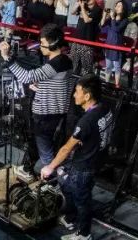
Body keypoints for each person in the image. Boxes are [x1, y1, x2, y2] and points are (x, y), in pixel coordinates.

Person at [39, 75, 113, 240]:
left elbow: (66, 149)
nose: (74, 95)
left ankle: (84, 234)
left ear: (87, 96)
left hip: (85, 167)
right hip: (97, 160)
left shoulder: (86, 122)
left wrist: (49, 167)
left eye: (77, 92)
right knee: (64, 178)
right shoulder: (105, 108)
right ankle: (70, 218)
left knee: (82, 201)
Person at [0, 24, 73, 183]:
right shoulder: (64, 60)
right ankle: (31, 170)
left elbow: (26, 77)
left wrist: (7, 58)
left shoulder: (56, 63)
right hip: (54, 114)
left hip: (46, 116)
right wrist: (41, 86)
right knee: (40, 146)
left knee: (47, 156)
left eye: (43, 43)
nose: (40, 46)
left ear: (53, 44)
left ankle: (54, 183)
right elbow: (57, 84)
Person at [70, 0, 102, 77]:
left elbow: (87, 20)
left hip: (88, 41)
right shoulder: (84, 5)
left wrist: (82, 7)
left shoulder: (97, 9)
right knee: (73, 64)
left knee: (86, 67)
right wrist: (79, 3)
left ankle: (85, 83)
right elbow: (72, 12)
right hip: (77, 39)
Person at [102, 0, 128, 87]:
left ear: (123, 9)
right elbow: (102, 25)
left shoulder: (125, 20)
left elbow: (116, 29)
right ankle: (106, 83)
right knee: (108, 67)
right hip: (108, 45)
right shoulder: (111, 18)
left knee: (117, 67)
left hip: (117, 46)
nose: (117, 7)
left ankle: (117, 85)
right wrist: (104, 15)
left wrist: (113, 18)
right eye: (116, 6)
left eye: (119, 6)